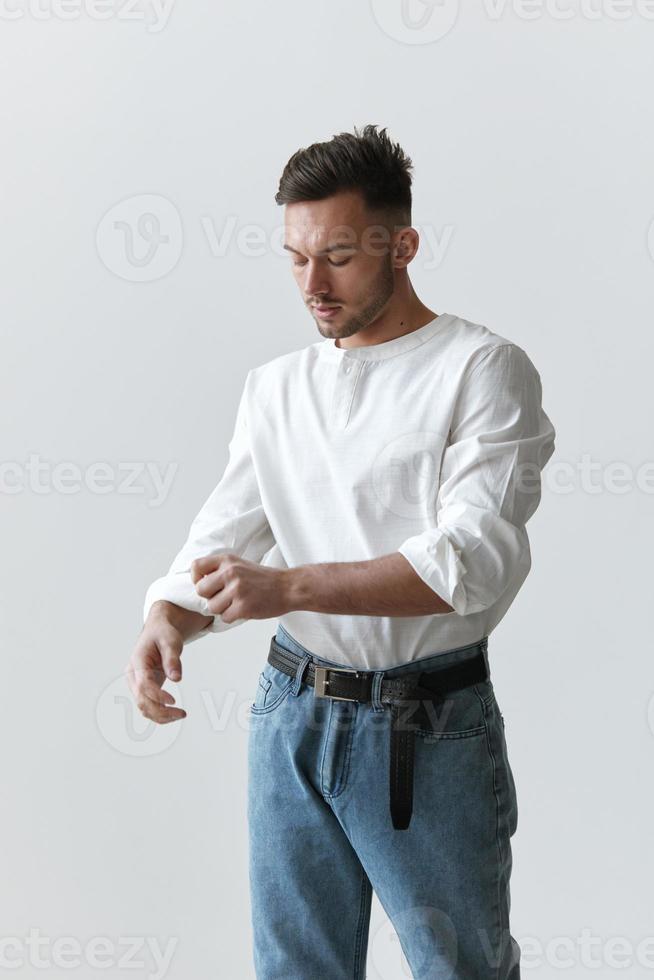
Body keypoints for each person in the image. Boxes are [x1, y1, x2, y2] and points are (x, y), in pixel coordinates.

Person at [127, 124, 556, 979]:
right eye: (294, 258)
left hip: (426, 722)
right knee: (296, 969)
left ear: (403, 245)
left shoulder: (481, 369)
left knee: (459, 967)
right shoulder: (277, 387)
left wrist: (290, 585)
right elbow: (229, 526)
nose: (312, 285)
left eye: (339, 257)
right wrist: (167, 613)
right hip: (290, 709)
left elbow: (469, 562)